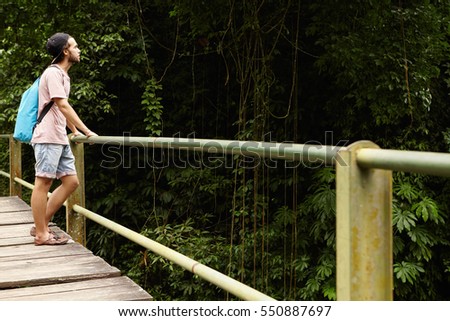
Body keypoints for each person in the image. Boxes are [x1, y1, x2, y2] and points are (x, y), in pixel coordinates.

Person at [30, 32, 97, 245]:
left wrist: (73, 130)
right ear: (66, 51)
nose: (79, 50)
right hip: (47, 137)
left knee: (71, 181)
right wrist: (86, 131)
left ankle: (41, 223)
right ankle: (42, 234)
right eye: (75, 46)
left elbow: (59, 108)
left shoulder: (63, 75)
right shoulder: (53, 73)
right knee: (43, 183)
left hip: (59, 137)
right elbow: (62, 105)